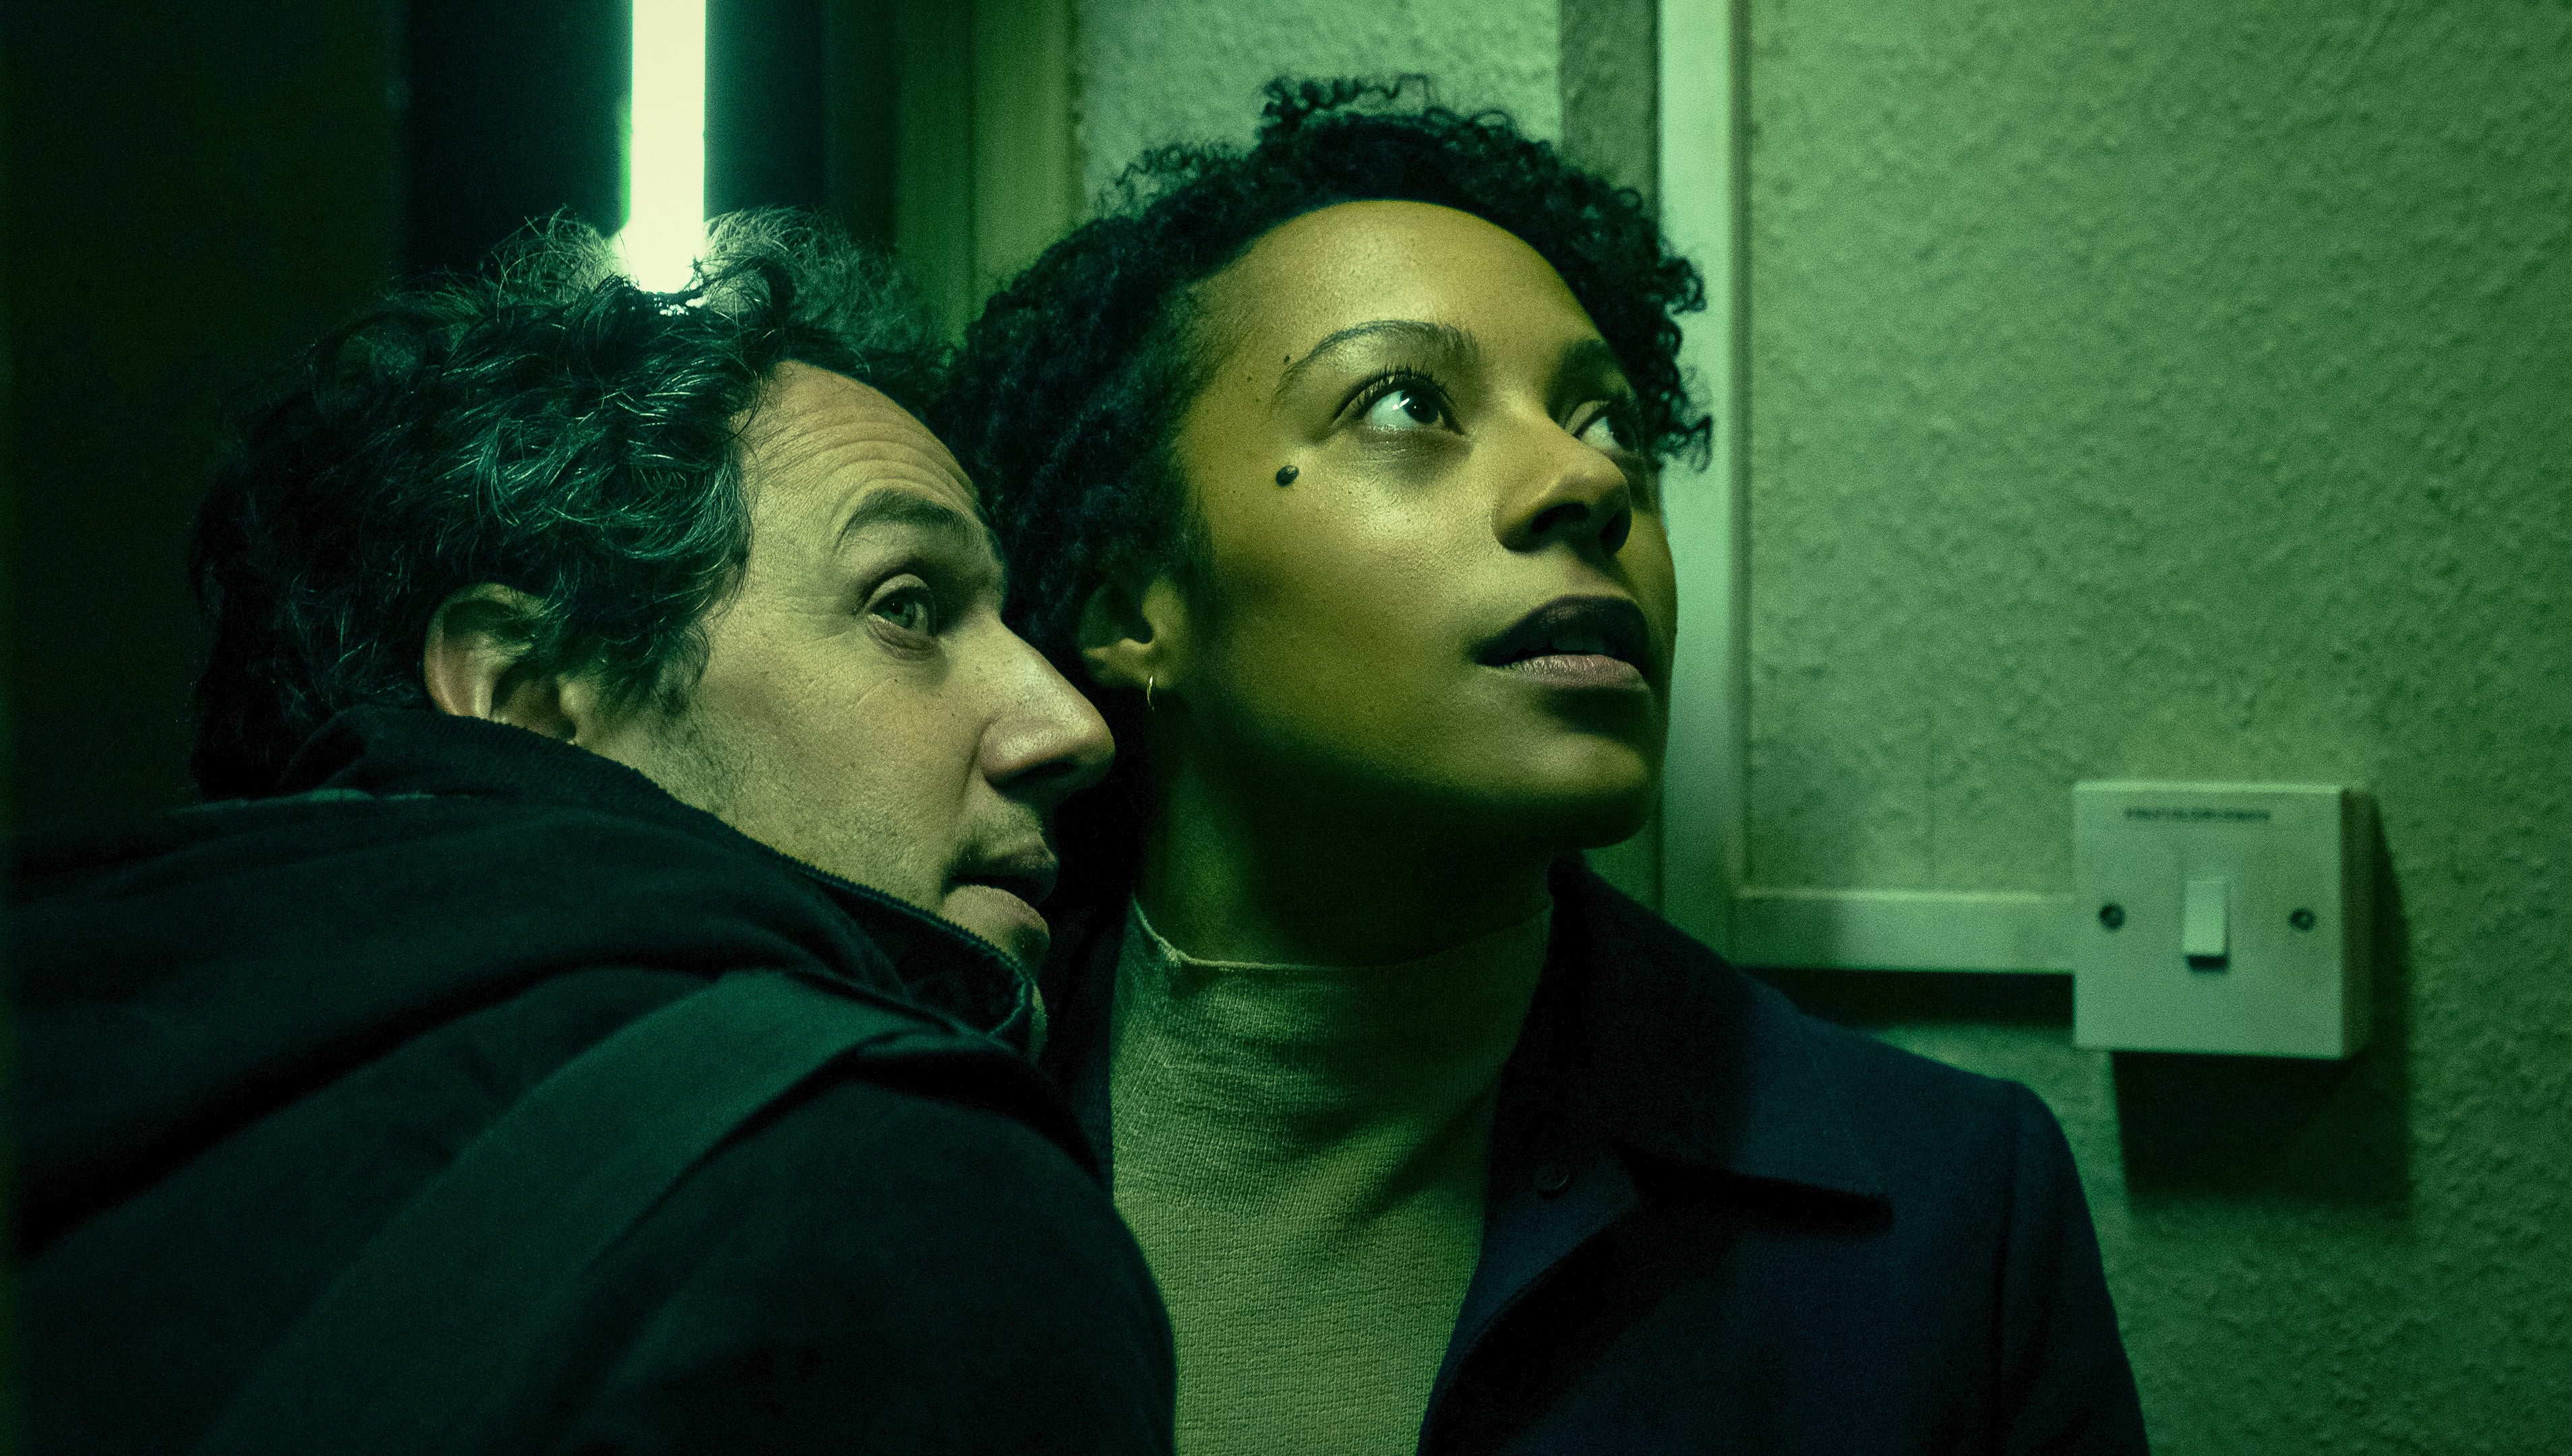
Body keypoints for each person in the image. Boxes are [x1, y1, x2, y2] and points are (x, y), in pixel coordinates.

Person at [932, 79, 2148, 1454]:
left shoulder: (1950, 1225)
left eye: (1609, 421)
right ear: (1131, 606)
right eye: (1406, 403)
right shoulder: (888, 1129)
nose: (1590, 481)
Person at [13, 212, 1174, 1454]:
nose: (1070, 726)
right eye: (908, 606)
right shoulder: (906, 1198)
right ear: (528, 703)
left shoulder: (83, 1055)